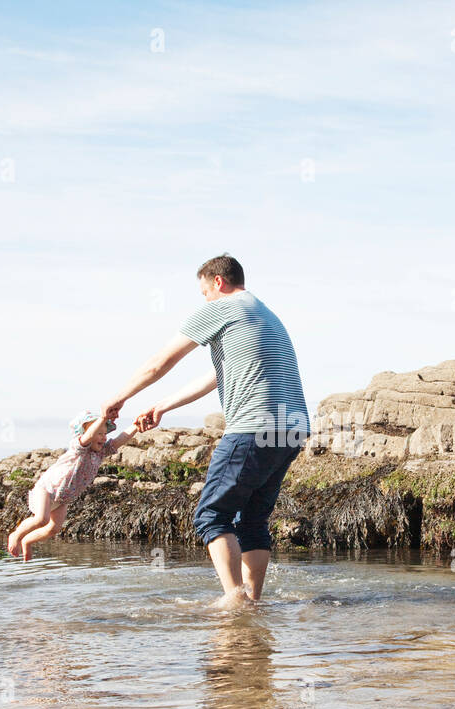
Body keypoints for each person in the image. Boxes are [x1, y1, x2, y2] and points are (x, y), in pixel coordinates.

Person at [104, 254, 309, 608]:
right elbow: (217, 377)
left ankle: (234, 602)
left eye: (204, 293)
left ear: (218, 282)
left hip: (253, 427)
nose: (204, 301)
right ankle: (253, 602)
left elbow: (159, 362)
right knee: (253, 520)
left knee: (211, 515)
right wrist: (162, 406)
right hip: (292, 428)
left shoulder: (223, 306)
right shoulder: (263, 314)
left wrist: (118, 399)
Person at [6, 412, 137, 561]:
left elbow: (120, 440)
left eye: (105, 433)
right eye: (99, 433)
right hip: (47, 489)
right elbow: (88, 436)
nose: (104, 437)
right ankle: (16, 535)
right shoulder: (78, 448)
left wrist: (136, 426)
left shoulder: (100, 454)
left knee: (54, 529)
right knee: (41, 519)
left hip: (63, 498)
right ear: (84, 433)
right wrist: (103, 418)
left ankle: (27, 541)